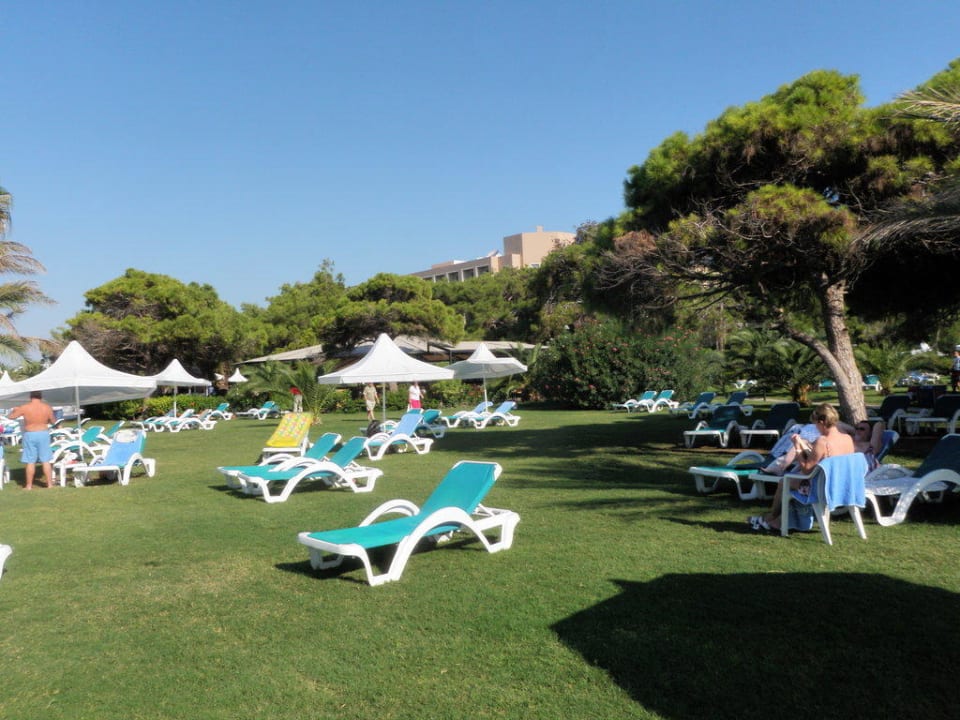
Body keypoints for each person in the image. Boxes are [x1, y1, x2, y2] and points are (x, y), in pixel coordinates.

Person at [748, 403, 854, 532]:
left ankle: (770, 518)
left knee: (784, 482)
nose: (816, 428)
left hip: (822, 489)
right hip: (841, 486)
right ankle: (778, 521)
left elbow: (806, 469)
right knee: (794, 481)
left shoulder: (822, 442)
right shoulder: (847, 439)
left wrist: (797, 448)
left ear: (821, 422)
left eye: (816, 425)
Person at [9, 390, 58, 490]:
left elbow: (11, 417)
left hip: (30, 434)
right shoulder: (47, 407)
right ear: (41, 397)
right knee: (46, 460)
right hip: (43, 433)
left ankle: (29, 486)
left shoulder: (25, 407)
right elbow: (53, 421)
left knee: (30, 461)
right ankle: (49, 485)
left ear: (30, 397)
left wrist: (14, 410)